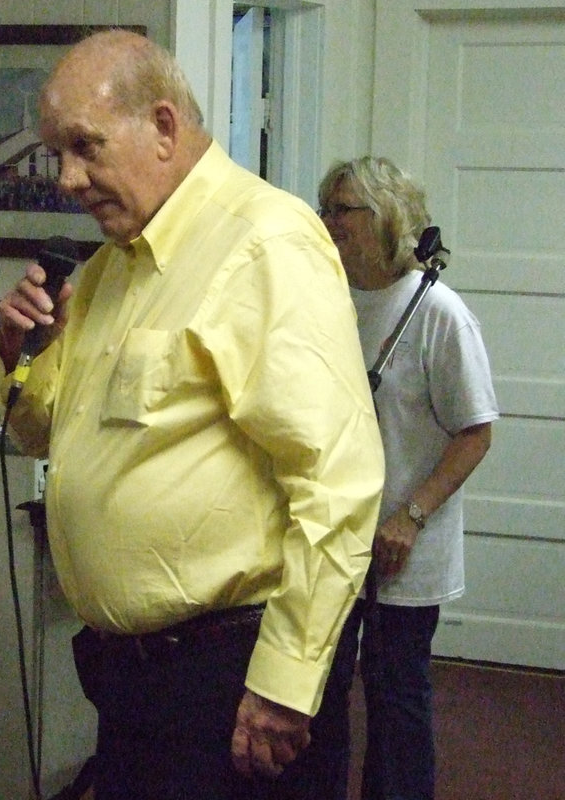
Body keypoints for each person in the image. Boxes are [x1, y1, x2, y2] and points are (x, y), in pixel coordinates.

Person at [0, 30, 385, 799]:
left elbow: (339, 480)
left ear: (164, 126)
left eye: (85, 147)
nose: (67, 179)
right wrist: (18, 354)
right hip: (133, 683)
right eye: (56, 153)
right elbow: (45, 434)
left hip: (231, 679)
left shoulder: (264, 242)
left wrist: (285, 684)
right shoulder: (109, 269)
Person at [317, 157, 498, 800]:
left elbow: (475, 432)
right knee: (318, 694)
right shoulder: (327, 300)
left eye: (343, 210)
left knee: (395, 699)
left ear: (387, 217)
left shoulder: (437, 311)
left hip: (403, 545)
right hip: (332, 539)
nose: (329, 222)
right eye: (326, 208)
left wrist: (411, 516)